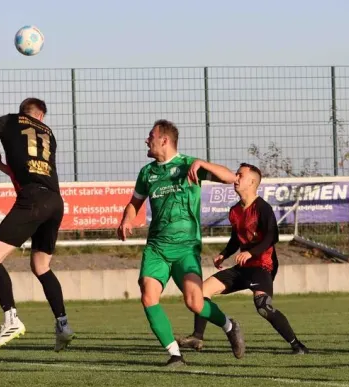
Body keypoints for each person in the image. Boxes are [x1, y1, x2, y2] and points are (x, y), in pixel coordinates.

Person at [117, 119, 245, 367]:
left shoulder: (189, 165)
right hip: (156, 247)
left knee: (194, 302)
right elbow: (135, 203)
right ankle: (175, 354)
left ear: (164, 140)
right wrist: (126, 220)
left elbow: (231, 178)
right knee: (148, 295)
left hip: (186, 248)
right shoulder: (147, 172)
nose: (146, 140)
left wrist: (202, 163)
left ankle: (230, 326)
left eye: (150, 136)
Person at [0, 98, 75, 352]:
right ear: (41, 117)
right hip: (55, 202)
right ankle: (63, 324)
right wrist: (3, 166)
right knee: (41, 266)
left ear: (22, 112)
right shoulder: (49, 134)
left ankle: (11, 320)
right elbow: (32, 173)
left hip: (34, 199)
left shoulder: (11, 121)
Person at [177, 163, 309, 355]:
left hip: (262, 266)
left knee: (263, 307)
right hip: (242, 266)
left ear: (252, 182)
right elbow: (235, 239)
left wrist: (251, 252)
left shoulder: (262, 208)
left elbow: (273, 236)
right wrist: (224, 254)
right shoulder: (235, 210)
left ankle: (298, 346)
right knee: (201, 293)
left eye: (240, 175)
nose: (235, 178)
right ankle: (198, 336)